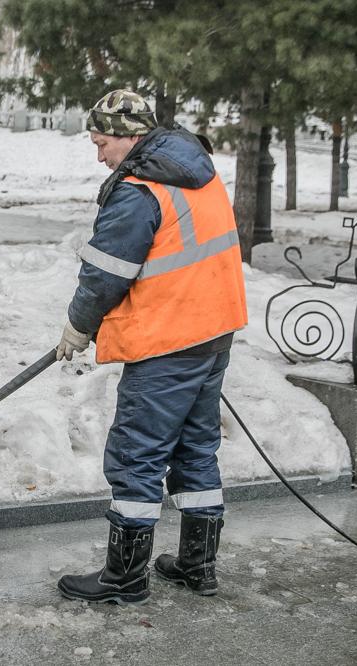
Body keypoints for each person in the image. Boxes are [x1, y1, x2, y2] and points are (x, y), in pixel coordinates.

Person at [55, 90, 248, 604]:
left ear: (128, 135)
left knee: (136, 455)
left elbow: (104, 275)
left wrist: (78, 326)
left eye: (101, 142)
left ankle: (125, 577)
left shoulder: (141, 191)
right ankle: (196, 566)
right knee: (195, 447)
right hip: (212, 331)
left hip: (168, 338)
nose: (99, 155)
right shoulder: (197, 172)